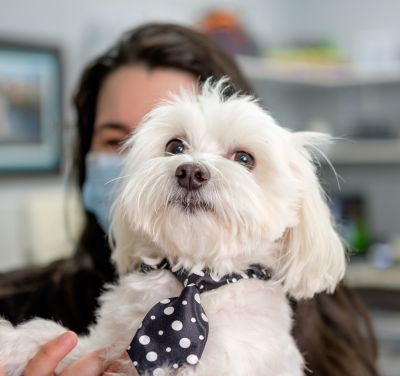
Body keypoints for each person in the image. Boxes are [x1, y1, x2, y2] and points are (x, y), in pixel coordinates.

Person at [0, 23, 379, 376]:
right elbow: (96, 359)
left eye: (243, 158)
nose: (191, 167)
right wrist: (28, 348)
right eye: (174, 146)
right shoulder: (33, 296)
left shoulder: (317, 334)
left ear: (295, 202)